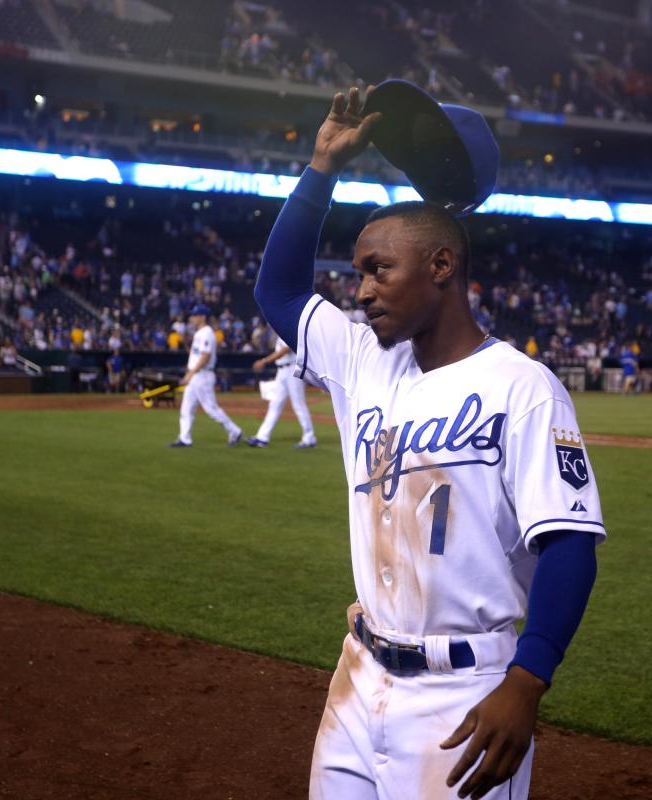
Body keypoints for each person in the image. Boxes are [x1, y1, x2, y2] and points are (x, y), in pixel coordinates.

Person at [255, 84, 604, 800]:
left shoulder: (523, 386)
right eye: (358, 273)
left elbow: (569, 543)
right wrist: (323, 165)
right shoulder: (363, 360)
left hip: (466, 692)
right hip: (359, 675)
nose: (362, 290)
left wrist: (528, 681)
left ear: (441, 267)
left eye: (378, 269)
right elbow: (278, 293)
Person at [169, 304, 243, 448]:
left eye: (195, 315)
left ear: (202, 317)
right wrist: (189, 373)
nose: (192, 318)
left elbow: (205, 356)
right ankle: (185, 438)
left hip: (202, 376)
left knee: (211, 409)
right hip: (196, 375)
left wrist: (190, 374)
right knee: (186, 408)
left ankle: (234, 431)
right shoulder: (199, 333)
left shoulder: (207, 333)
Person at [245, 336, 317, 449]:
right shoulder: (281, 333)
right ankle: (262, 437)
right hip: (282, 371)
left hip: (292, 370)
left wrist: (264, 361)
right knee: (275, 404)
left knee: (298, 405)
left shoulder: (290, 329)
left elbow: (284, 350)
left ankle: (309, 438)